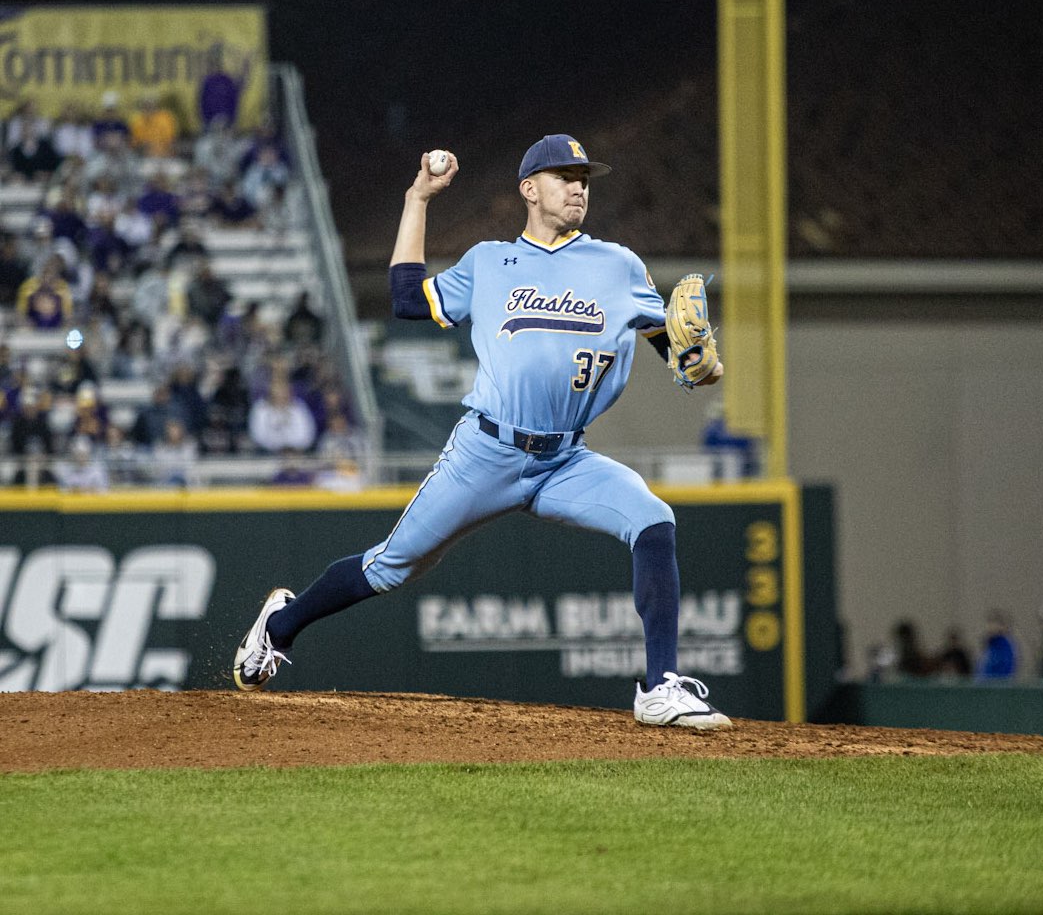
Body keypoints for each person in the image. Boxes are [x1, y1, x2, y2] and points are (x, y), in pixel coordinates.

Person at [232, 135, 730, 729]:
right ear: (529, 190)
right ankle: (279, 626)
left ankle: (660, 687)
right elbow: (408, 300)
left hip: (566, 462)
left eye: (584, 180)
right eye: (564, 177)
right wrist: (418, 199)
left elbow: (677, 351)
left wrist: (702, 365)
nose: (578, 188)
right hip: (487, 451)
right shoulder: (489, 262)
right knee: (391, 566)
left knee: (653, 520)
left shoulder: (618, 266)